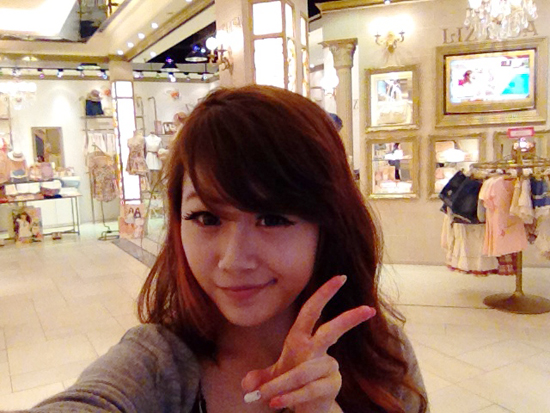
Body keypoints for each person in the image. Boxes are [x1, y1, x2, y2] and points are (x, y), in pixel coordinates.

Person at [18, 85, 427, 412]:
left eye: (272, 219)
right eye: (206, 218)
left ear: (328, 225)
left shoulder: (379, 355)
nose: (233, 261)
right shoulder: (155, 364)